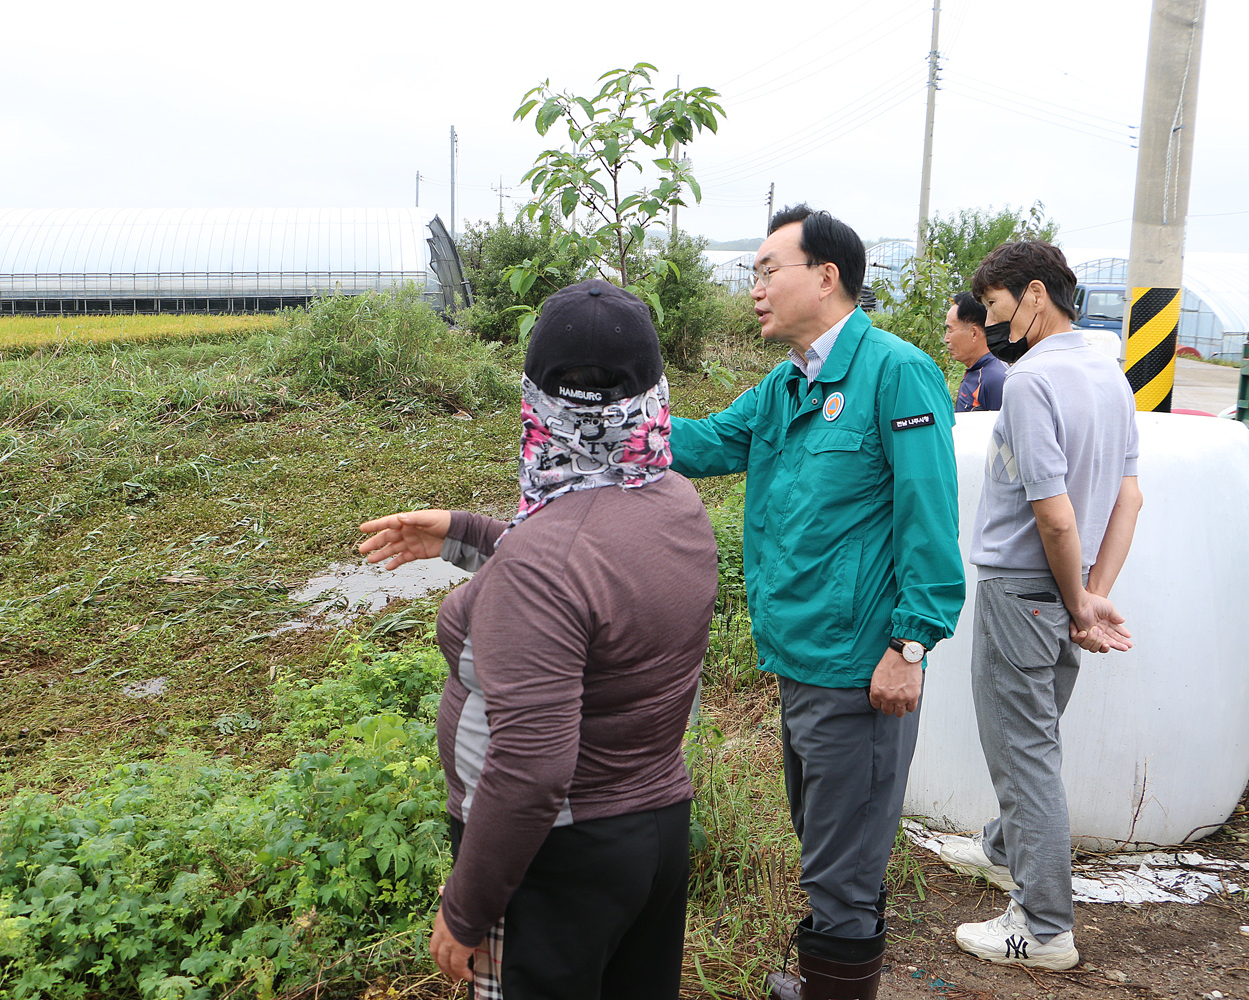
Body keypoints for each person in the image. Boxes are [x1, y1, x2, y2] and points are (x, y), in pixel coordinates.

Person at [357, 279, 719, 1000]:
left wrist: (465, 910)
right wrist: (464, 533)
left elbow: (531, 767)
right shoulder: (674, 500)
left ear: (536, 402)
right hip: (651, 832)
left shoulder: (545, 560)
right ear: (654, 394)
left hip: (555, 861)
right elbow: (588, 571)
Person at [669, 204, 966, 1000]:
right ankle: (839, 977)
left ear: (826, 277)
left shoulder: (894, 372)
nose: (755, 289)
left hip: (859, 666)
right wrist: (611, 415)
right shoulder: (787, 383)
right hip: (799, 657)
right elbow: (703, 444)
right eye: (754, 274)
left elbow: (930, 519)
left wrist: (910, 649)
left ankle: (833, 986)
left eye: (768, 270)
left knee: (839, 864)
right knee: (831, 842)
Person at [944, 240, 1142, 970]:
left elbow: (1055, 515)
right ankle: (1002, 849)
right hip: (1061, 591)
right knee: (1033, 736)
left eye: (995, 307)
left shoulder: (1032, 383)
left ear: (1033, 294)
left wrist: (1079, 602)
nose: (994, 324)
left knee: (1025, 754)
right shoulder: (1110, 377)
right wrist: (1090, 596)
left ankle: (1043, 927)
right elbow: (1128, 497)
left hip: (1022, 591)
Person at [945, 290, 1007, 412]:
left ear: (974, 333)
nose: (946, 339)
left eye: (950, 330)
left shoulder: (995, 379)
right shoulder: (976, 371)